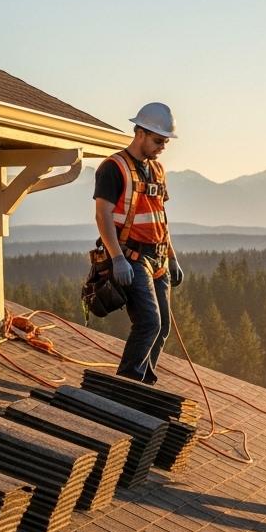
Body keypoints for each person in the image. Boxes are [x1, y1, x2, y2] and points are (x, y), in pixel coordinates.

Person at [93, 102, 183, 384]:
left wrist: (171, 256)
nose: (163, 147)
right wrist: (117, 257)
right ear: (140, 133)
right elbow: (102, 214)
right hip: (132, 256)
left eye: (166, 141)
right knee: (149, 323)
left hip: (157, 257)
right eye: (158, 140)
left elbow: (160, 216)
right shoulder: (113, 168)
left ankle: (143, 382)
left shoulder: (157, 170)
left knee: (163, 327)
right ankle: (127, 384)